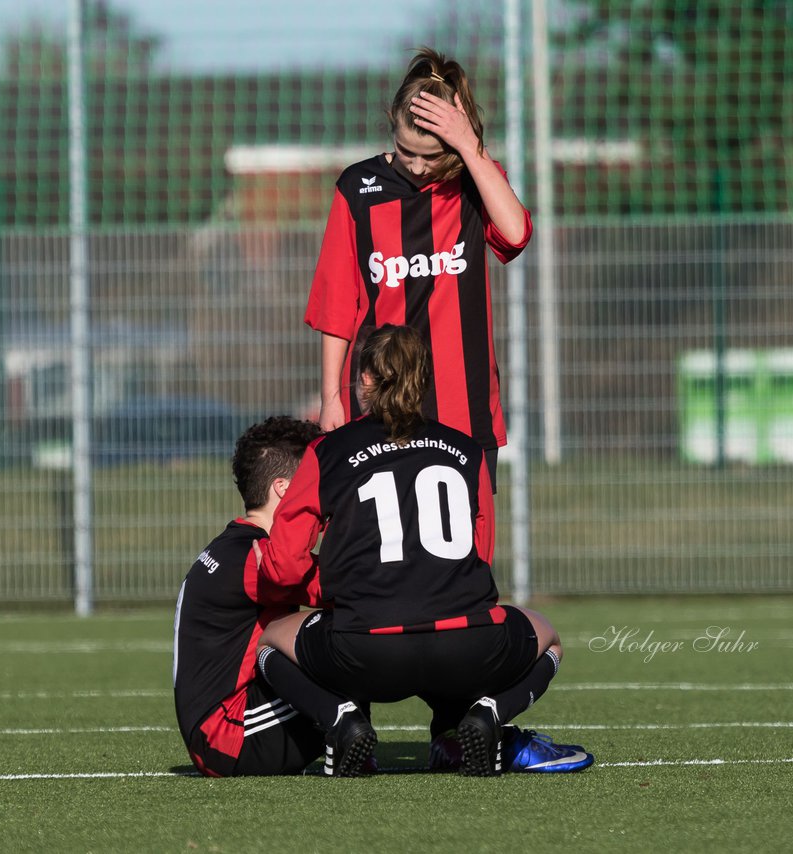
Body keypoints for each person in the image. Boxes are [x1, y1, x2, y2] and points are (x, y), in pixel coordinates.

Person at [256, 325, 593, 776]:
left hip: (365, 654)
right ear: (423, 381)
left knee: (269, 642)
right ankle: (490, 714)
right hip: (468, 650)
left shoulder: (328, 451)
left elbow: (281, 567)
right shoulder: (467, 450)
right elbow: (480, 556)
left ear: (367, 380)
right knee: (548, 636)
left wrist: (335, 586)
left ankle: (341, 720)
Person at [305, 47, 532, 489]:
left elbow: (517, 234)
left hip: (462, 407)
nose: (419, 165)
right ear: (391, 123)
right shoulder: (358, 189)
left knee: (461, 551)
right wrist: (331, 397)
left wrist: (469, 146)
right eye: (407, 151)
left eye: (432, 156)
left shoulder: (473, 181)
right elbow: (336, 304)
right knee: (374, 548)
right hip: (377, 402)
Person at [173, 415, 338, 777]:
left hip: (217, 732)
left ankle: (346, 727)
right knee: (349, 632)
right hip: (232, 735)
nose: (322, 494)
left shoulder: (234, 546)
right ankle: (344, 727)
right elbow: (342, 588)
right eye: (314, 483)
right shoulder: (253, 559)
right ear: (283, 488)